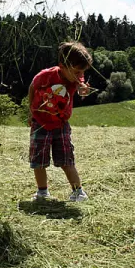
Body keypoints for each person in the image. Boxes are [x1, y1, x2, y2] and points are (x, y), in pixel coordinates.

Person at [28, 41, 93, 202]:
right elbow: (32, 88)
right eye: (77, 71)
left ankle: (78, 192)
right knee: (39, 160)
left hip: (61, 125)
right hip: (40, 124)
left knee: (66, 159)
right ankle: (42, 192)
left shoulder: (75, 79)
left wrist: (83, 90)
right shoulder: (45, 76)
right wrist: (31, 111)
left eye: (82, 72)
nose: (80, 76)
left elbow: (81, 87)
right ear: (62, 65)